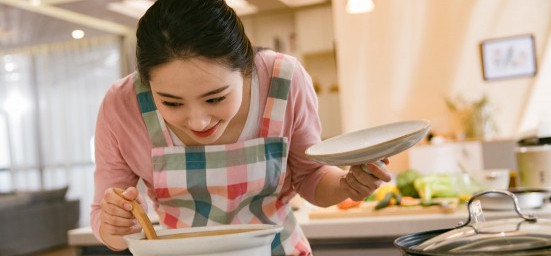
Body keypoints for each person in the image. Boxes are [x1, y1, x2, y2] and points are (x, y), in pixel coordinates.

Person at [91, 0, 391, 255]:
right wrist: (116, 225)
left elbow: (310, 178)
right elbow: (105, 218)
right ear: (145, 82)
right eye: (171, 103)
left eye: (215, 98)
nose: (198, 121)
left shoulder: (282, 80)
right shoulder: (122, 105)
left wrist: (346, 186)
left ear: (247, 68)